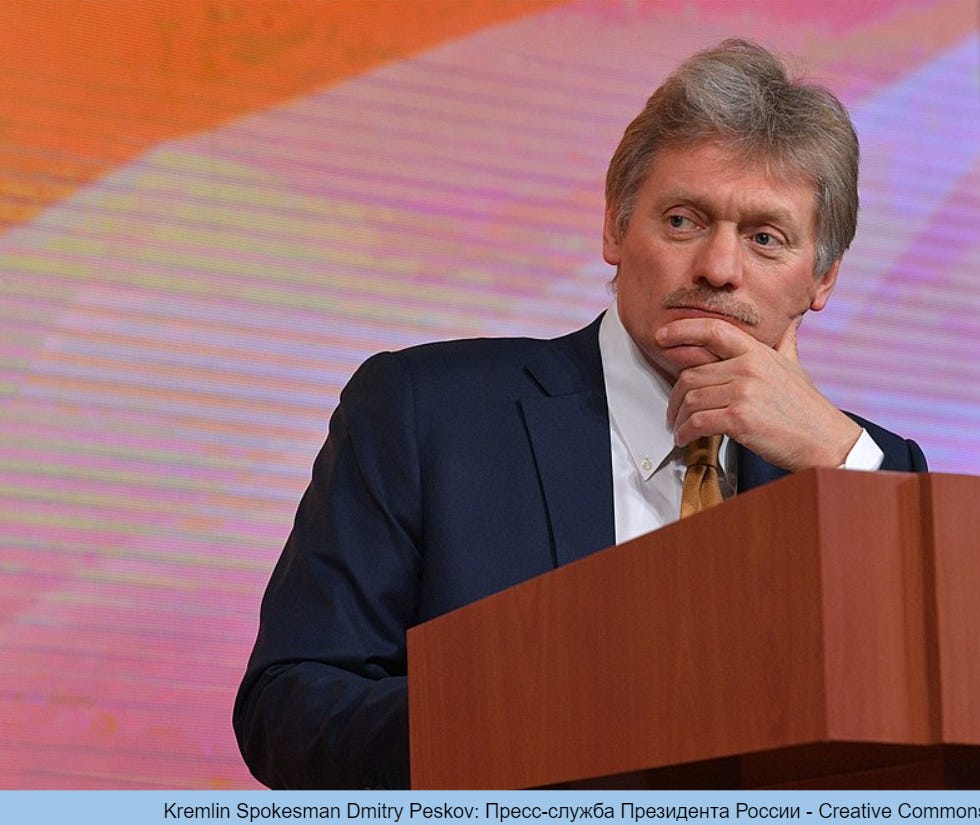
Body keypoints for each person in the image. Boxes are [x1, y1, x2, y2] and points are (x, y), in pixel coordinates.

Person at [233, 38, 927, 790]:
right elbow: (290, 711)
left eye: (766, 238)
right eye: (684, 221)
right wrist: (543, 713)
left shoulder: (869, 467)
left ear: (822, 279)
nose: (719, 269)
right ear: (614, 229)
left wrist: (843, 462)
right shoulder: (425, 412)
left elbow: (943, 710)